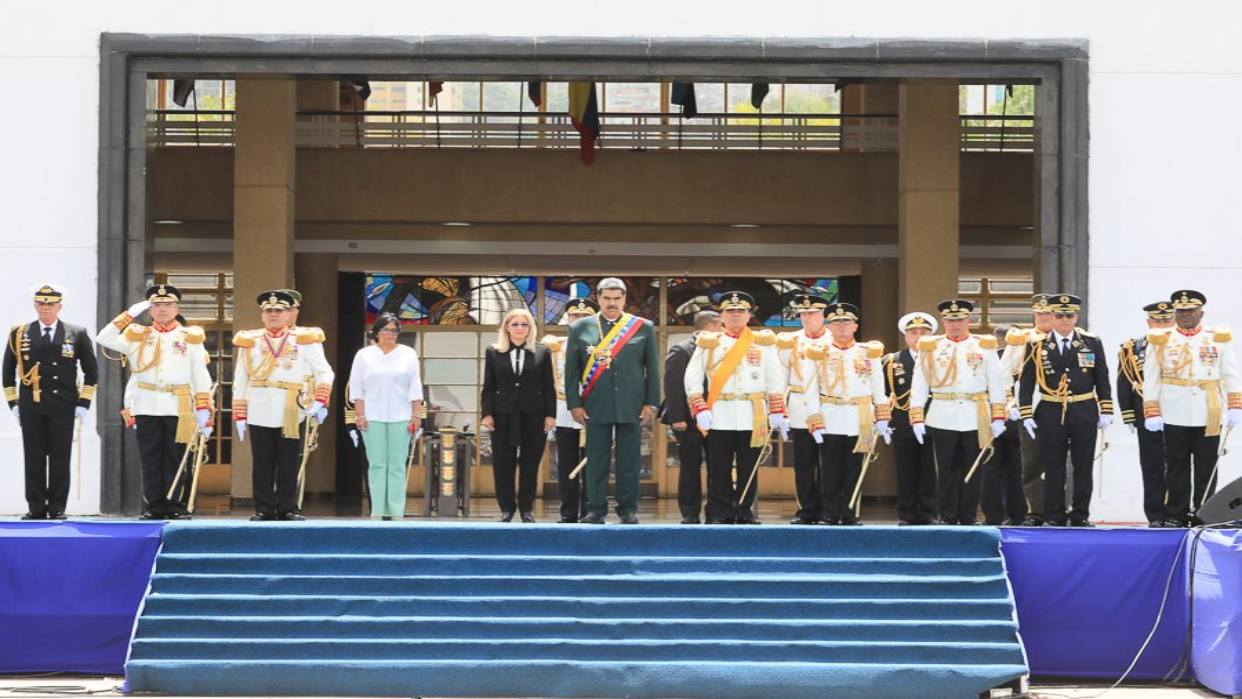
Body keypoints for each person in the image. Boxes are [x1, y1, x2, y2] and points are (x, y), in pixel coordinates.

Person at [96, 284, 212, 520]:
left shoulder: (190, 337)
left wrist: (203, 408)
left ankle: (177, 505)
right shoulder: (137, 335)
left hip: (179, 406)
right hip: (146, 403)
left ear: (176, 307)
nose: (162, 309)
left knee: (177, 457)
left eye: (168, 304)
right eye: (156, 305)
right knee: (150, 457)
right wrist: (129, 315)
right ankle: (154, 506)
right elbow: (103, 338)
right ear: (149, 309)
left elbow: (200, 374)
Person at [683, 291, 786, 524]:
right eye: (730, 311)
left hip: (753, 414)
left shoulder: (763, 342)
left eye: (741, 311)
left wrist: (777, 409)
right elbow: (693, 376)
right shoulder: (709, 342)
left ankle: (744, 510)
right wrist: (699, 406)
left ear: (749, 315)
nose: (736, 315)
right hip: (720, 411)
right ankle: (720, 511)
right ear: (721, 316)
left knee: (748, 466)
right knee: (718, 466)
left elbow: (775, 378)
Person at [564, 278, 661, 525]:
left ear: (625, 299)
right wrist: (574, 404)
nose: (612, 303)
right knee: (596, 460)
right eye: (607, 298)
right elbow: (572, 371)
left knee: (629, 461)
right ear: (598, 298)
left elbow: (652, 367)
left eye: (617, 298)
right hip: (594, 404)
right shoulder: (580, 328)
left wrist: (651, 402)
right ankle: (595, 508)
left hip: (632, 404)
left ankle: (628, 508)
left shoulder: (642, 327)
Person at [1142, 290, 1242, 527]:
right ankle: (1176, 513)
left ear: (1201, 313)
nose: (1185, 315)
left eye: (1190, 311)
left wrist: (1235, 404)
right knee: (1176, 464)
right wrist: (1152, 409)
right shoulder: (1161, 338)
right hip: (1174, 409)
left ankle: (1205, 513)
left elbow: (1230, 372)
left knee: (1207, 464)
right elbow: (1152, 377)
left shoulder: (1217, 337)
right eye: (1181, 311)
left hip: (1208, 410)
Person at [232, 290, 334, 521]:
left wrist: (320, 399)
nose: (273, 315)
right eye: (268, 311)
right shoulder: (250, 341)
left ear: (289, 314)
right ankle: (263, 508)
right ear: (262, 315)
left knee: (289, 461)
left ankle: (289, 507)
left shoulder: (304, 340)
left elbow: (324, 372)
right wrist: (240, 412)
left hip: (290, 407)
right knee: (262, 462)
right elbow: (241, 378)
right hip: (258, 406)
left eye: (279, 310)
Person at [4, 284, 98, 520]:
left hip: (63, 405)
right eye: (41, 304)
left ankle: (57, 507)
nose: (46, 308)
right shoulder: (19, 332)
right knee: (33, 457)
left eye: (51, 304)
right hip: (31, 405)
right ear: (35, 306)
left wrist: (83, 403)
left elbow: (91, 372)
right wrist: (14, 403)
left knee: (59, 457)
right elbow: (7, 373)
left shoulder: (76, 333)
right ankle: (36, 506)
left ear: (60, 307)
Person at [1018, 294, 1113, 527]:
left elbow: (1101, 376)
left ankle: (1080, 515)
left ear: (1076, 317)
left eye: (1068, 315)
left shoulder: (1091, 342)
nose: (1064, 320)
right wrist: (1026, 412)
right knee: (1053, 467)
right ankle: (1054, 515)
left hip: (1083, 409)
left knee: (1083, 466)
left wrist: (1106, 408)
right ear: (1051, 316)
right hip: (1050, 409)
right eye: (1059, 315)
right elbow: (1026, 380)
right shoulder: (1036, 344)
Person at [909, 299, 1007, 525]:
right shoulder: (930, 346)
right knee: (945, 469)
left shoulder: (983, 345)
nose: (955, 324)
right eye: (951, 320)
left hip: (976, 414)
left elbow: (996, 381)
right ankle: (948, 516)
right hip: (942, 413)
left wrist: (998, 414)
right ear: (943, 321)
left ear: (968, 320)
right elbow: (920, 381)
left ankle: (969, 516)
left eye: (960, 320)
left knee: (973, 469)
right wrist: (917, 416)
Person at [813, 303, 887, 526]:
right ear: (829, 326)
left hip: (860, 416)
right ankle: (829, 511)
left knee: (855, 466)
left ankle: (850, 511)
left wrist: (882, 417)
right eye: (836, 322)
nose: (842, 326)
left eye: (846, 322)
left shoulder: (868, 352)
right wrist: (815, 419)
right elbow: (811, 388)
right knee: (830, 466)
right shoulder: (819, 353)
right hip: (830, 414)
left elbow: (878, 386)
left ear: (855, 326)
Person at [481, 308, 556, 523]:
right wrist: (487, 413)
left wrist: (550, 415)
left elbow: (548, 386)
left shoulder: (542, 351)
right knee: (503, 463)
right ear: (506, 327)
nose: (520, 328)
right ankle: (506, 507)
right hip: (503, 414)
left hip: (534, 414)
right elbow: (488, 385)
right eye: (515, 324)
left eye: (524, 324)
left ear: (530, 328)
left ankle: (526, 508)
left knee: (530, 463)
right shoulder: (493, 351)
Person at [349, 312, 424, 521]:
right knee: (377, 464)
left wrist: (416, 415)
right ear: (376, 332)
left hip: (401, 416)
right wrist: (360, 415)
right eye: (385, 330)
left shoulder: (408, 353)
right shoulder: (364, 355)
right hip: (372, 416)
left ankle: (396, 511)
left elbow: (415, 386)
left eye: (394, 330)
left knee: (397, 465)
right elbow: (357, 388)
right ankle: (378, 511)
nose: (389, 334)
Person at [1117, 301, 1175, 527]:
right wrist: (1129, 414)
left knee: (1179, 465)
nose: (1162, 323)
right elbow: (1124, 382)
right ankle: (1156, 514)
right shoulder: (1132, 348)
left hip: (1179, 412)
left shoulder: (1183, 346)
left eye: (1166, 319)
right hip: (1146, 413)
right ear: (1148, 321)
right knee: (1152, 465)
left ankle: (1177, 511)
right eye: (1156, 320)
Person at [543, 298, 600, 523]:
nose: (579, 320)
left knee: (594, 464)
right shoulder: (556, 347)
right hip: (565, 411)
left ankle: (591, 510)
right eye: (575, 316)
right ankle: (568, 512)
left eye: (585, 316)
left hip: (595, 412)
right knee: (566, 463)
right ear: (568, 319)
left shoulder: (604, 344)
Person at [662, 309, 721, 524]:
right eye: (720, 326)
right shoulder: (682, 349)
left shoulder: (720, 349)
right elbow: (673, 386)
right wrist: (678, 418)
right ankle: (690, 511)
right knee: (690, 466)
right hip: (688, 420)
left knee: (717, 466)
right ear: (710, 326)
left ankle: (715, 511)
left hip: (717, 419)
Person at [777, 294, 831, 525]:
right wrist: (780, 410)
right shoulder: (790, 341)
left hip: (830, 406)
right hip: (799, 405)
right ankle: (806, 509)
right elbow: (780, 376)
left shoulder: (835, 338)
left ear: (823, 316)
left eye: (812, 313)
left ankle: (829, 507)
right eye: (803, 314)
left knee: (830, 461)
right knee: (804, 463)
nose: (807, 318)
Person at [882, 311, 938, 525]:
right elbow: (885, 393)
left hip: (933, 419)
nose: (919, 336)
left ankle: (929, 511)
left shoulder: (939, 359)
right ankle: (906, 512)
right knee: (905, 470)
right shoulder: (891, 361)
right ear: (906, 336)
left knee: (930, 469)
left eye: (924, 332)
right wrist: (884, 421)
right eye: (913, 332)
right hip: (902, 422)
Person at [1007, 294, 1052, 525]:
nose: (1045, 317)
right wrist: (1010, 403)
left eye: (1048, 313)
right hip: (1028, 408)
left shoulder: (1068, 339)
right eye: (1040, 313)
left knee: (1060, 463)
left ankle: (1058, 510)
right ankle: (1034, 511)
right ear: (1034, 315)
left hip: (1059, 406)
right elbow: (1005, 375)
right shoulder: (1021, 339)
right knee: (1031, 463)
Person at [980, 324, 1027, 526]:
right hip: (1013, 420)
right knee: (1015, 472)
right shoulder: (1022, 357)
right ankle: (1017, 515)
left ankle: (992, 517)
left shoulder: (984, 359)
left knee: (991, 471)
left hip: (992, 419)